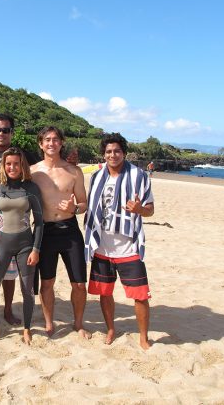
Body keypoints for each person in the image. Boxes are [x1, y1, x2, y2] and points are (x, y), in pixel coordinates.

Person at [84, 132, 154, 350]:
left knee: (140, 295)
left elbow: (150, 210)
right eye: (108, 152)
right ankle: (111, 328)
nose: (112, 155)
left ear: (124, 153)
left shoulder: (139, 176)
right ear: (103, 154)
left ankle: (143, 337)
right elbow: (92, 207)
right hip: (102, 245)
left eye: (116, 151)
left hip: (128, 246)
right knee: (105, 292)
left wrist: (139, 209)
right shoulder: (97, 177)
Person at [30, 126, 91, 339]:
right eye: (47, 140)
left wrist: (74, 208)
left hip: (70, 230)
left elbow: (84, 203)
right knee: (47, 282)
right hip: (45, 231)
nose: (51, 143)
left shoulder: (74, 172)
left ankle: (78, 323)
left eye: (56, 139)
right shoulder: (32, 171)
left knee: (79, 283)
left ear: (61, 142)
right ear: (41, 144)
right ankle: (48, 323)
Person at [0, 148, 43, 345]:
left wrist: (36, 249)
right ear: (3, 165)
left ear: (22, 165)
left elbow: (40, 222)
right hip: (0, 245)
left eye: (16, 164)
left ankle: (26, 328)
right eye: (8, 164)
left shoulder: (31, 188)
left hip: (25, 245)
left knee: (27, 290)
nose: (12, 167)